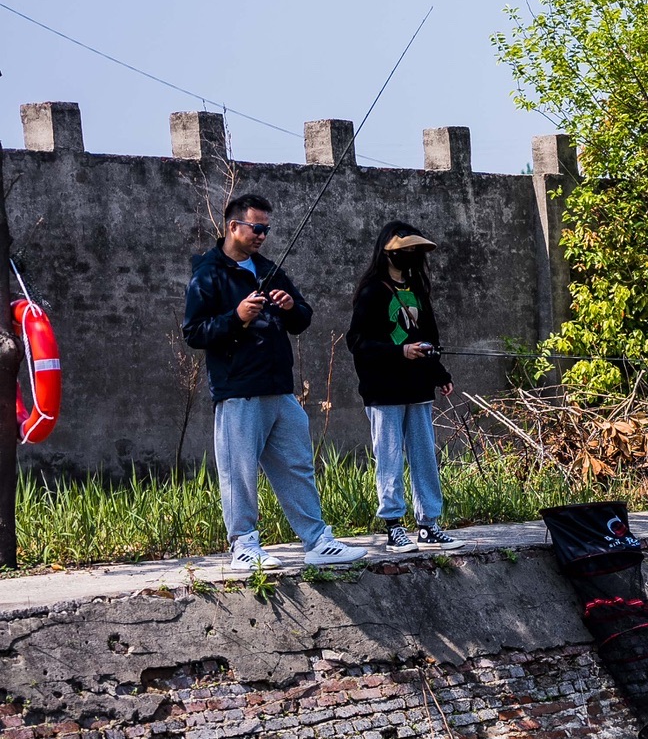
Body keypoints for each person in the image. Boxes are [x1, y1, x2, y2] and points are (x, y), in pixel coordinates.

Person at [182, 194, 369, 572]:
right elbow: (194, 332)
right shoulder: (208, 274)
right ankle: (244, 546)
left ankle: (317, 541)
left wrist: (289, 306)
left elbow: (303, 319)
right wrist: (236, 317)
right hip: (239, 390)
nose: (263, 235)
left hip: (280, 388)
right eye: (257, 227)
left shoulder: (270, 269)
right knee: (239, 470)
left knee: (298, 464)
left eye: (266, 229)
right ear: (233, 226)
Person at [346, 222, 463, 553]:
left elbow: (430, 339)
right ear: (389, 253)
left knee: (425, 456)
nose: (412, 257)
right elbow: (356, 341)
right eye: (406, 252)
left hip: (419, 389)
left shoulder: (418, 291)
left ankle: (428, 524)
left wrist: (440, 373)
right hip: (384, 391)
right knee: (389, 459)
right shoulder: (372, 292)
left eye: (416, 252)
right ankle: (393, 527)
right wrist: (399, 352)